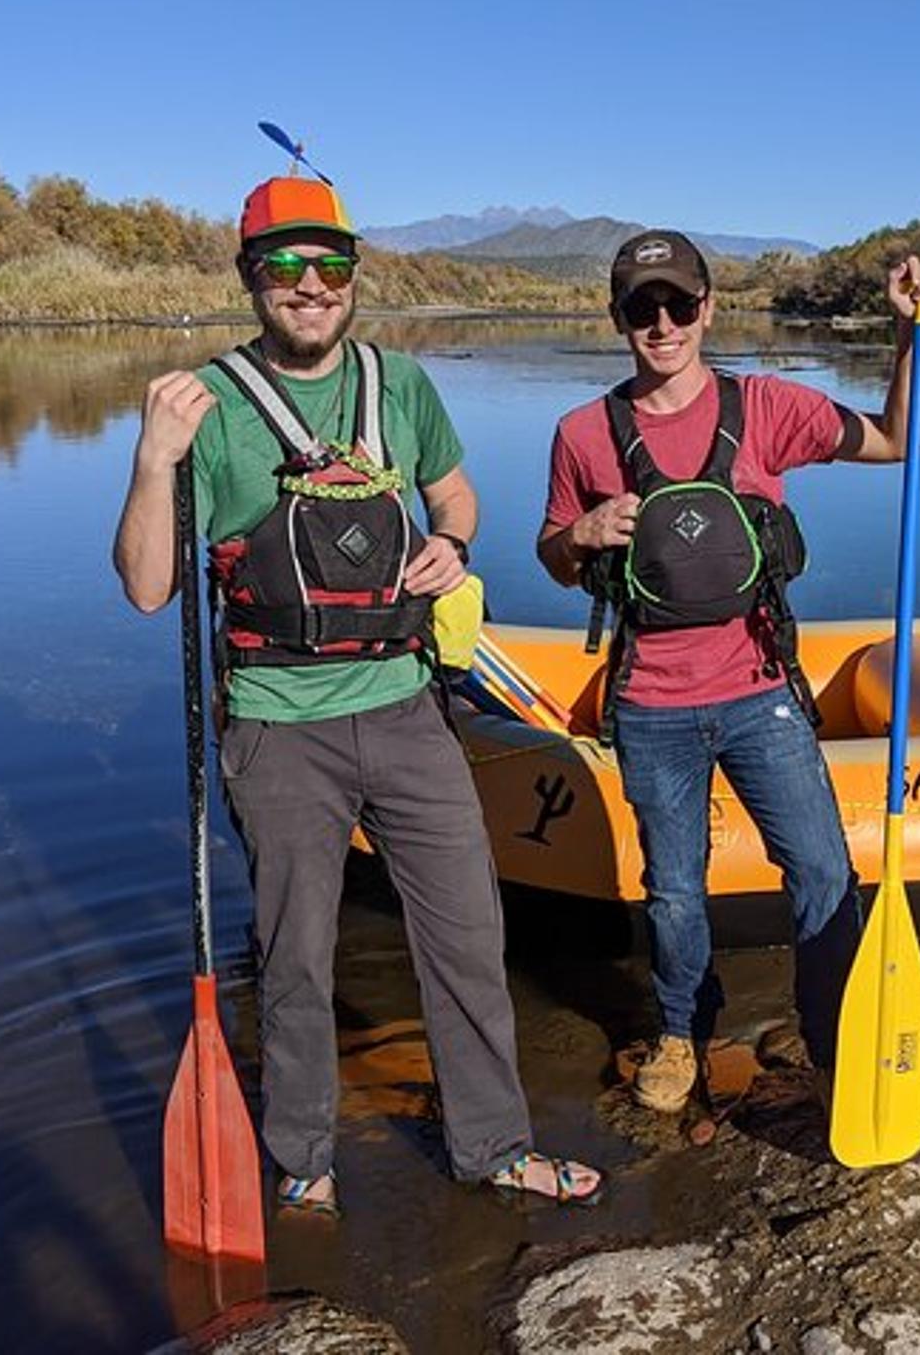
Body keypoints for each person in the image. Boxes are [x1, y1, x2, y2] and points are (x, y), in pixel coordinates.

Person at [112, 173, 599, 1211]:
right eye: (284, 265)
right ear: (250, 276)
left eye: (329, 264)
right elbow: (151, 588)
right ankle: (304, 1163)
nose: (310, 285)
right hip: (278, 728)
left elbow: (454, 492)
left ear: (351, 275)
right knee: (295, 961)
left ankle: (494, 1146)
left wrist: (452, 545)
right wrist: (153, 463)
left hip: (408, 711)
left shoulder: (402, 384)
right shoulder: (207, 405)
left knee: (468, 935)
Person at [538, 230, 920, 1113]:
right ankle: (683, 1033)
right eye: (643, 308)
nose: (663, 324)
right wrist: (579, 536)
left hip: (761, 689)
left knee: (821, 870)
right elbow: (553, 557)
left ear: (708, 307)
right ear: (618, 319)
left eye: (679, 304)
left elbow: (897, 440)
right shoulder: (581, 434)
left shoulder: (763, 406)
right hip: (649, 704)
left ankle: (834, 1031)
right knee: (675, 892)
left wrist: (916, 331)